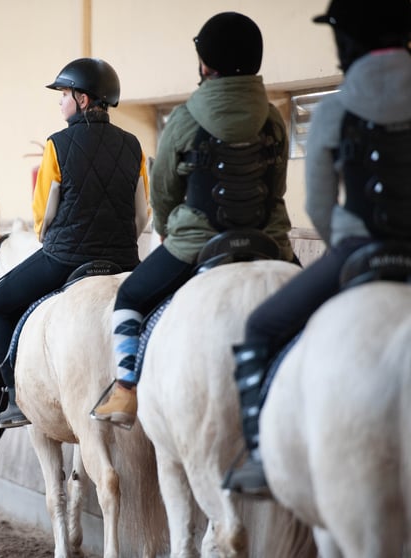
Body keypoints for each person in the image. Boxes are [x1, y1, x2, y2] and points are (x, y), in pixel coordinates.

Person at [223, 0, 411, 498]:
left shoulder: (336, 108)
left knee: (260, 328)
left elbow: (321, 204)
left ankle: (261, 456)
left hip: (356, 251)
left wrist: (346, 247)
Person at [91, 12, 296, 428]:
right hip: (268, 241)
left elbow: (164, 192)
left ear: (206, 65)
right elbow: (277, 188)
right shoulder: (275, 117)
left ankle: (126, 388)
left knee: (130, 296)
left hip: (199, 244)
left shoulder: (184, 118)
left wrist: (169, 229)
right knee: (317, 305)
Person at [0, 58, 150, 429]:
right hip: (125, 259)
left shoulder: (56, 145)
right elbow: (142, 215)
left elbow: (43, 217)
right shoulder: (133, 145)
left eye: (64, 95)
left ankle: (13, 395)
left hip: (65, 257)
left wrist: (57, 241)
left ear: (84, 100)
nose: (60, 102)